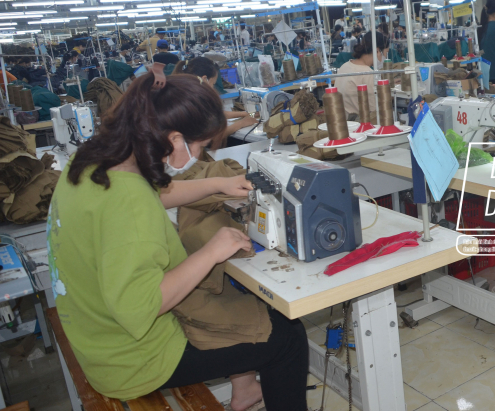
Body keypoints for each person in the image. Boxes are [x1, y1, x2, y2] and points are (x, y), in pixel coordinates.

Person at [49, 72, 308, 411]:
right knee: (287, 337)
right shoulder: (128, 201)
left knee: (244, 308)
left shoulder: (92, 163)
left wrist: (217, 184)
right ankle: (249, 389)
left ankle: (245, 390)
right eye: (199, 146)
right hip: (135, 358)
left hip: (96, 336)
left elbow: (151, 195)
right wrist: (212, 252)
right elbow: (141, 308)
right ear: (174, 138)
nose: (198, 155)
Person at [173, 57, 259, 148]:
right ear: (204, 79)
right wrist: (242, 123)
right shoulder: (191, 101)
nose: (213, 87)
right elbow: (212, 137)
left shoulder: (183, 94)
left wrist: (243, 114)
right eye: (213, 83)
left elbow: (212, 114)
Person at [335, 31, 389, 118]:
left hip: (342, 120)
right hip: (359, 122)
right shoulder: (368, 74)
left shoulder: (345, 66)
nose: (385, 57)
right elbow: (375, 110)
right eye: (386, 53)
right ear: (377, 51)